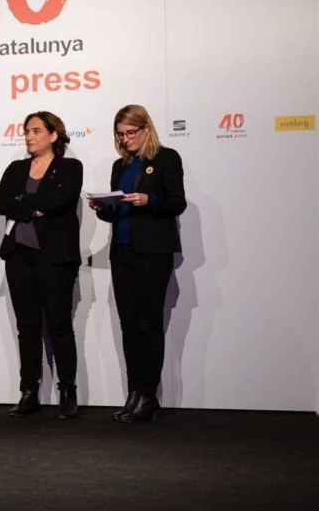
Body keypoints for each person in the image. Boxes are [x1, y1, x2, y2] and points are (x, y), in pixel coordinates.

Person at [90, 104, 185, 423]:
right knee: (129, 325)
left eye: (131, 132)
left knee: (148, 324)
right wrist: (103, 207)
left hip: (153, 253)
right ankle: (134, 391)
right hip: (123, 251)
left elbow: (177, 203)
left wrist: (150, 200)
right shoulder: (121, 165)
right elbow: (116, 212)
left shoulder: (166, 158)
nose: (126, 139)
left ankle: (148, 395)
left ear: (146, 129)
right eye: (121, 134)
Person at [0, 111, 82, 419]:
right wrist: (34, 207)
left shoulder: (70, 167)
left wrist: (25, 204)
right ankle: (28, 391)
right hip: (19, 255)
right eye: (26, 131)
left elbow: (59, 201)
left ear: (53, 135)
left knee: (59, 325)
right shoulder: (17, 168)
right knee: (26, 327)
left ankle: (67, 390)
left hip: (55, 258)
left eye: (35, 131)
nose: (29, 136)